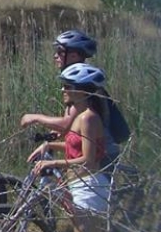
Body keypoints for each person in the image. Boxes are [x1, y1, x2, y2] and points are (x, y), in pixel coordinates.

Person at [28, 63, 111, 232]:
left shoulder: (88, 119)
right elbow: (74, 146)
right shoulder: (81, 116)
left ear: (82, 92)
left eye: (68, 86)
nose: (63, 90)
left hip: (90, 188)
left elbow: (89, 159)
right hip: (79, 186)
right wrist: (49, 145)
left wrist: (53, 162)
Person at [20, 29, 126, 170]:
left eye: (60, 52)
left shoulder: (82, 85)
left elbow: (66, 124)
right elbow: (69, 125)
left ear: (74, 55)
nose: (55, 56)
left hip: (102, 155)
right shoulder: (77, 82)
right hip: (93, 151)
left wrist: (35, 118)